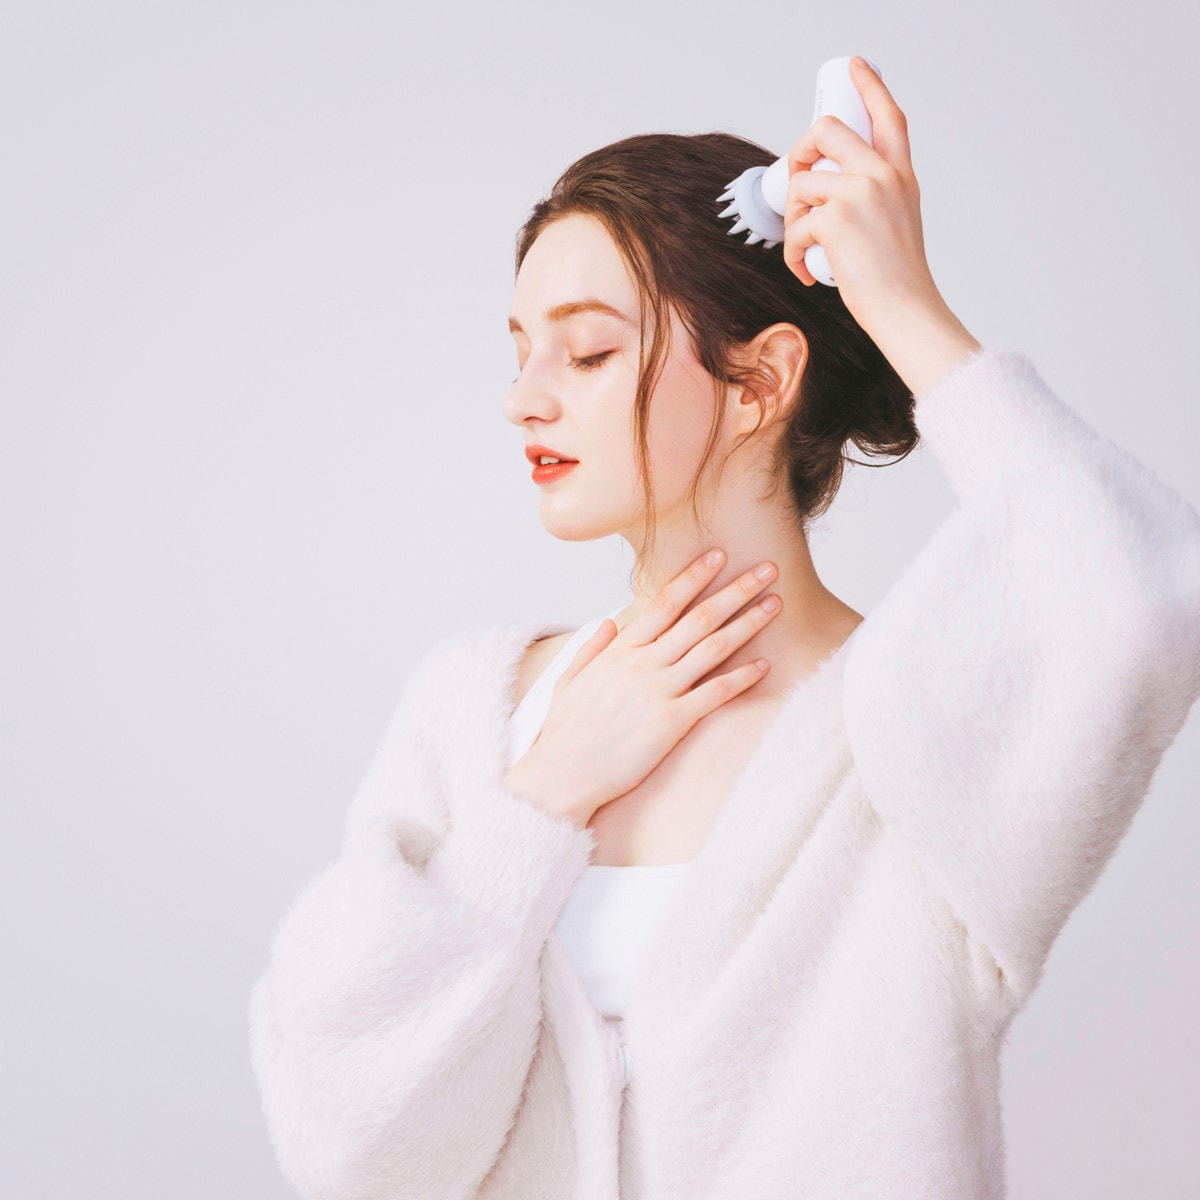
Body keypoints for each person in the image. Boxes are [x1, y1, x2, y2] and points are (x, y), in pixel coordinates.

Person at [248, 59, 1200, 1200]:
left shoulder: (915, 728)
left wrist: (901, 303)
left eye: (588, 352)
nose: (524, 397)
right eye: (521, 350)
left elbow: (1135, 595)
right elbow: (344, 1141)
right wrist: (539, 802)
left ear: (760, 383)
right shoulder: (479, 713)